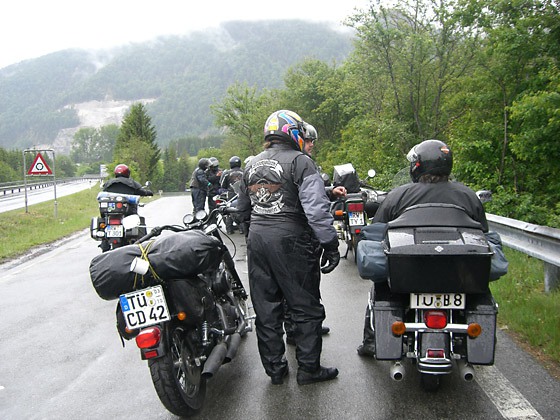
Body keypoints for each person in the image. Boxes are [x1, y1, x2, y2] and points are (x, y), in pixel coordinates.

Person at [236, 110, 341, 386]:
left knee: (266, 308)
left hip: (258, 239)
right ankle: (308, 369)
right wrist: (330, 245)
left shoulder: (251, 164)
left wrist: (255, 235)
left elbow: (242, 209)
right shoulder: (301, 162)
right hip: (291, 239)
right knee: (304, 306)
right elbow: (316, 210)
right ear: (293, 132)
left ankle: (275, 370)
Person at [356, 139, 489, 356]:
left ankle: (371, 341)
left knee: (381, 284)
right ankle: (470, 341)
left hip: (409, 273)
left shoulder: (399, 195)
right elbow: (483, 234)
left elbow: (378, 231)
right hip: (458, 275)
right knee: (480, 284)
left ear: (417, 165)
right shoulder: (468, 195)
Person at [283, 123, 345, 345]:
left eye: (312, 141)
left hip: (298, 235)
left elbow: (303, 193)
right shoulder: (299, 162)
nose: (311, 145)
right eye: (308, 141)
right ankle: (298, 331)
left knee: (306, 284)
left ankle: (306, 327)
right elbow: (311, 206)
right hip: (299, 234)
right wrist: (330, 243)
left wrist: (329, 191)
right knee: (299, 286)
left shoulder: (299, 162)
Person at [101, 164, 153, 251]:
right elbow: (142, 191)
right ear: (128, 173)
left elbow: (103, 192)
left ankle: (104, 241)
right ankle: (144, 247)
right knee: (139, 221)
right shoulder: (132, 183)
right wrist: (148, 192)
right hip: (128, 212)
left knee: (104, 221)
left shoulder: (109, 183)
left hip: (110, 212)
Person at [220, 155, 244, 234]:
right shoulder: (244, 172)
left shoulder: (227, 173)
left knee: (229, 212)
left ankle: (229, 230)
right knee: (241, 210)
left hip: (231, 195)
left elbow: (222, 185)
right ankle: (242, 229)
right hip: (242, 194)